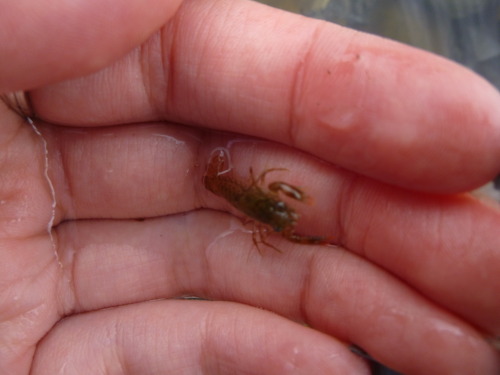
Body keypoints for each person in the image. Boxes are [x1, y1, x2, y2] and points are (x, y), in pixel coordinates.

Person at [1, 1, 499, 374]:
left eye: (284, 216)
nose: (288, 215)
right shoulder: (248, 194)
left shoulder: (263, 205)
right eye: (286, 213)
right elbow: (268, 201)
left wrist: (279, 217)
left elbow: (270, 208)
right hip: (230, 189)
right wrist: (276, 217)